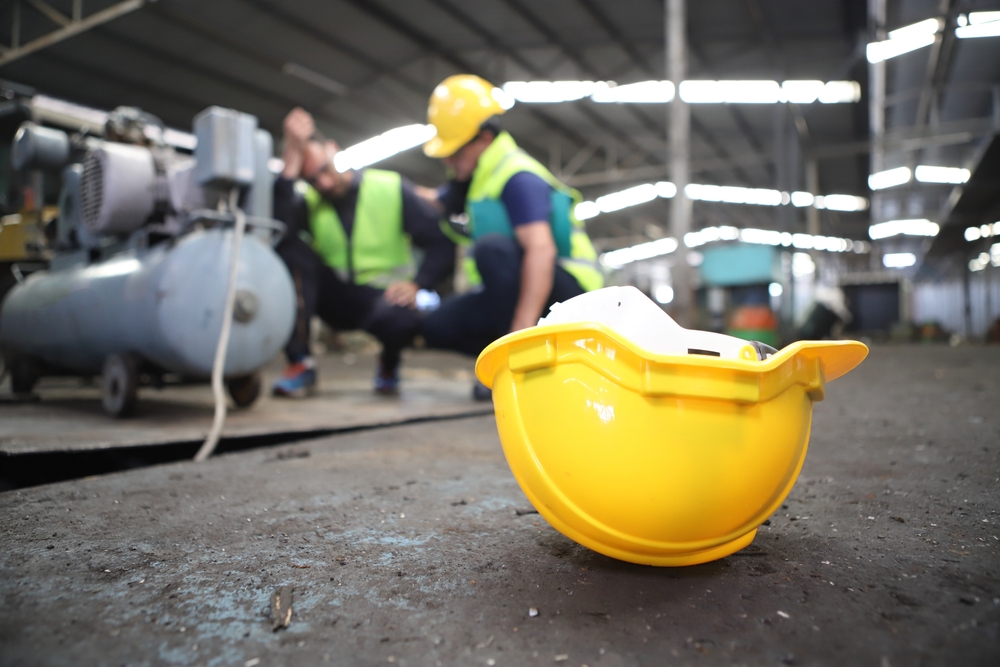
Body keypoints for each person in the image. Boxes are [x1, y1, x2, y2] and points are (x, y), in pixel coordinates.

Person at [419, 75, 604, 400]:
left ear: (484, 139)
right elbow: (433, 201)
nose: (448, 161)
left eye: (455, 152)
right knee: (437, 327)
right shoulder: (475, 177)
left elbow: (542, 251)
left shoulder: (518, 177)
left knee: (492, 249)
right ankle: (527, 361)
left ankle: (519, 364)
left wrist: (516, 338)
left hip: (572, 297)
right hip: (517, 290)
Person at [272, 108, 454, 396]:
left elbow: (441, 243)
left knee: (402, 321)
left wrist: (417, 284)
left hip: (380, 298)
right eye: (312, 180)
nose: (324, 184)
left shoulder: (391, 188)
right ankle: (300, 363)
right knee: (291, 250)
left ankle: (389, 363)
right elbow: (276, 232)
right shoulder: (309, 202)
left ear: (334, 149)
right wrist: (290, 166)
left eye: (324, 170)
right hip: (333, 297)